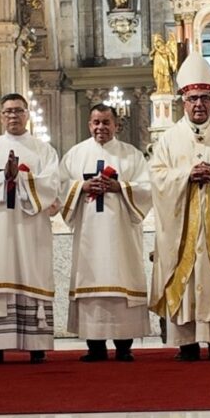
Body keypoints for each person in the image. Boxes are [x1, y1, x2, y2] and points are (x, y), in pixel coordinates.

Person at [149, 52, 210, 361]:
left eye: (204, 98)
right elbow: (157, 175)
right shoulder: (169, 139)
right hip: (183, 227)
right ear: (183, 101)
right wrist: (185, 176)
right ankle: (187, 343)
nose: (198, 104)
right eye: (193, 98)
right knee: (187, 275)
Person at [59, 104, 152, 362]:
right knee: (91, 283)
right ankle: (95, 346)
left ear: (116, 125)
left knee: (122, 283)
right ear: (89, 125)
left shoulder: (131, 155)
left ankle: (124, 347)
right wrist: (82, 186)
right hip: (89, 234)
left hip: (121, 234)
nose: (101, 127)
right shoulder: (76, 155)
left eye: (106, 122)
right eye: (96, 122)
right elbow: (61, 187)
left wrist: (119, 186)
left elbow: (146, 188)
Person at [0, 94, 59, 364]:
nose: (13, 116)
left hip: (31, 228)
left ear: (27, 114)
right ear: (0, 115)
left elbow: (51, 186)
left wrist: (19, 177)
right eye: (8, 111)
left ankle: (36, 345)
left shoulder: (43, 150)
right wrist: (2, 177)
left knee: (32, 275)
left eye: (18, 111)